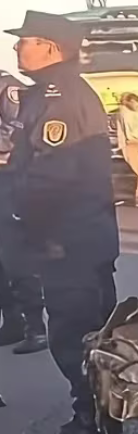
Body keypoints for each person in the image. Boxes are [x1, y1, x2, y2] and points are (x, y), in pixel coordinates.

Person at [7, 11, 121, 434]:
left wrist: (24, 220)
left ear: (51, 48)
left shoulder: (60, 98)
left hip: (68, 239)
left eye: (25, 41)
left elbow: (51, 176)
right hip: (83, 236)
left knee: (75, 335)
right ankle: (106, 412)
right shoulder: (54, 94)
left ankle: (89, 422)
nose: (18, 48)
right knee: (95, 331)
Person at [0, 68, 46, 354]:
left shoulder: (7, 88)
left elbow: (18, 132)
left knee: (14, 257)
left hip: (6, 178)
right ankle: (12, 319)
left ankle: (35, 326)